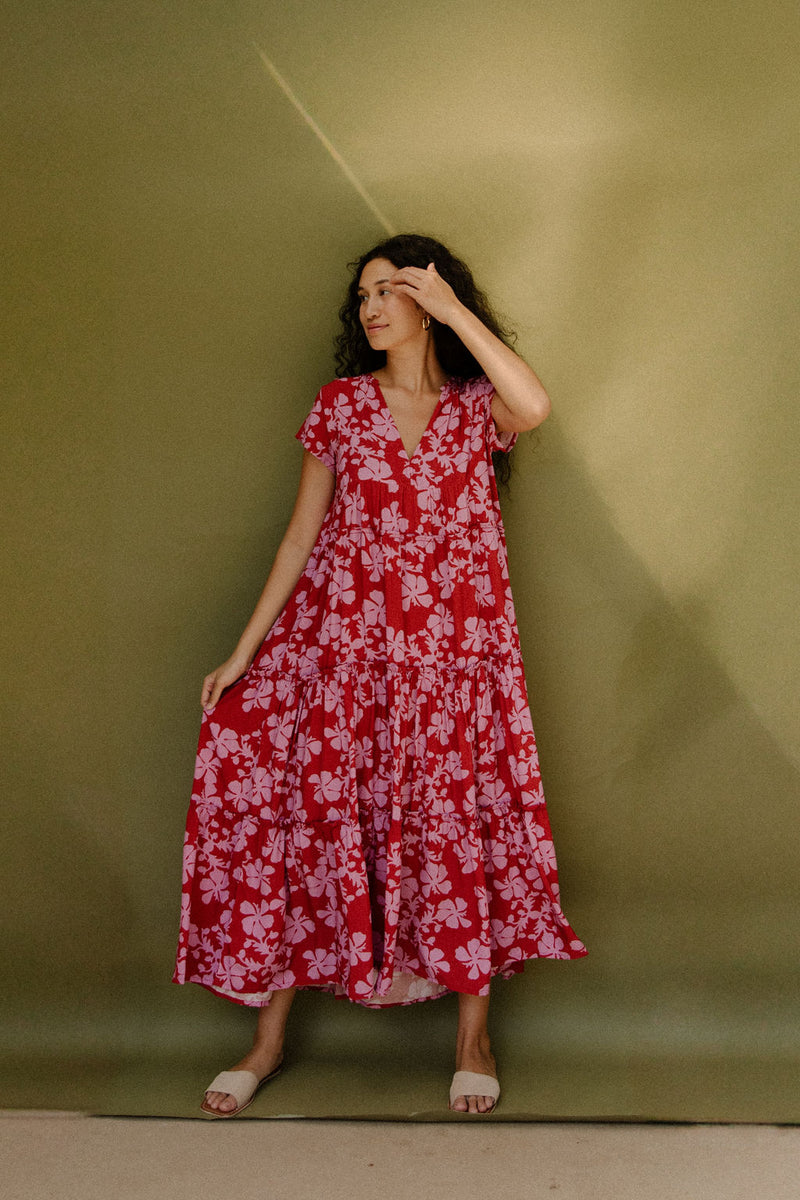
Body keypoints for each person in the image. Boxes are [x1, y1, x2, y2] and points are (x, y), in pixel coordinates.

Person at [173, 233, 586, 1118]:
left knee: (459, 826)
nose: (370, 306)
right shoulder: (341, 406)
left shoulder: (478, 410)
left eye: (389, 289)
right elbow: (299, 538)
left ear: (429, 301)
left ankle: (473, 1038)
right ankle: (269, 1040)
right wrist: (244, 652)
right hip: (350, 661)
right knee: (315, 824)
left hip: (456, 668)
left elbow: (536, 404)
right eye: (361, 294)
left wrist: (452, 311)